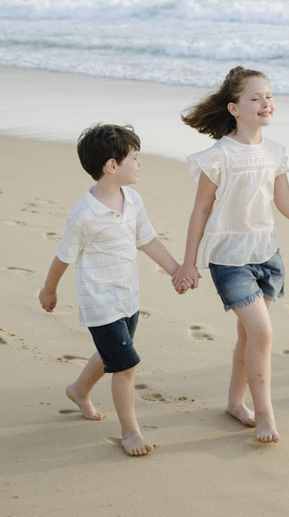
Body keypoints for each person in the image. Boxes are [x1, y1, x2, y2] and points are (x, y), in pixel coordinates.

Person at [173, 66, 289, 444]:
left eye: (268, 96)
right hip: (229, 259)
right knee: (262, 332)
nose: (266, 103)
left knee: (248, 335)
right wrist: (188, 262)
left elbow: (287, 203)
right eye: (255, 98)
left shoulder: (275, 152)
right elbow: (200, 210)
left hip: (267, 255)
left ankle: (235, 403)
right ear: (234, 108)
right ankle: (265, 414)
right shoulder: (219, 156)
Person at [38, 124, 182, 457]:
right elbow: (63, 257)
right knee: (125, 365)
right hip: (99, 302)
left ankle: (78, 390)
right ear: (112, 165)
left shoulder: (133, 200)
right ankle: (131, 432)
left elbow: (147, 240)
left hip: (128, 297)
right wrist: (49, 290)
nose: (140, 163)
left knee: (110, 356)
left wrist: (176, 270)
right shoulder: (84, 215)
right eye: (135, 157)